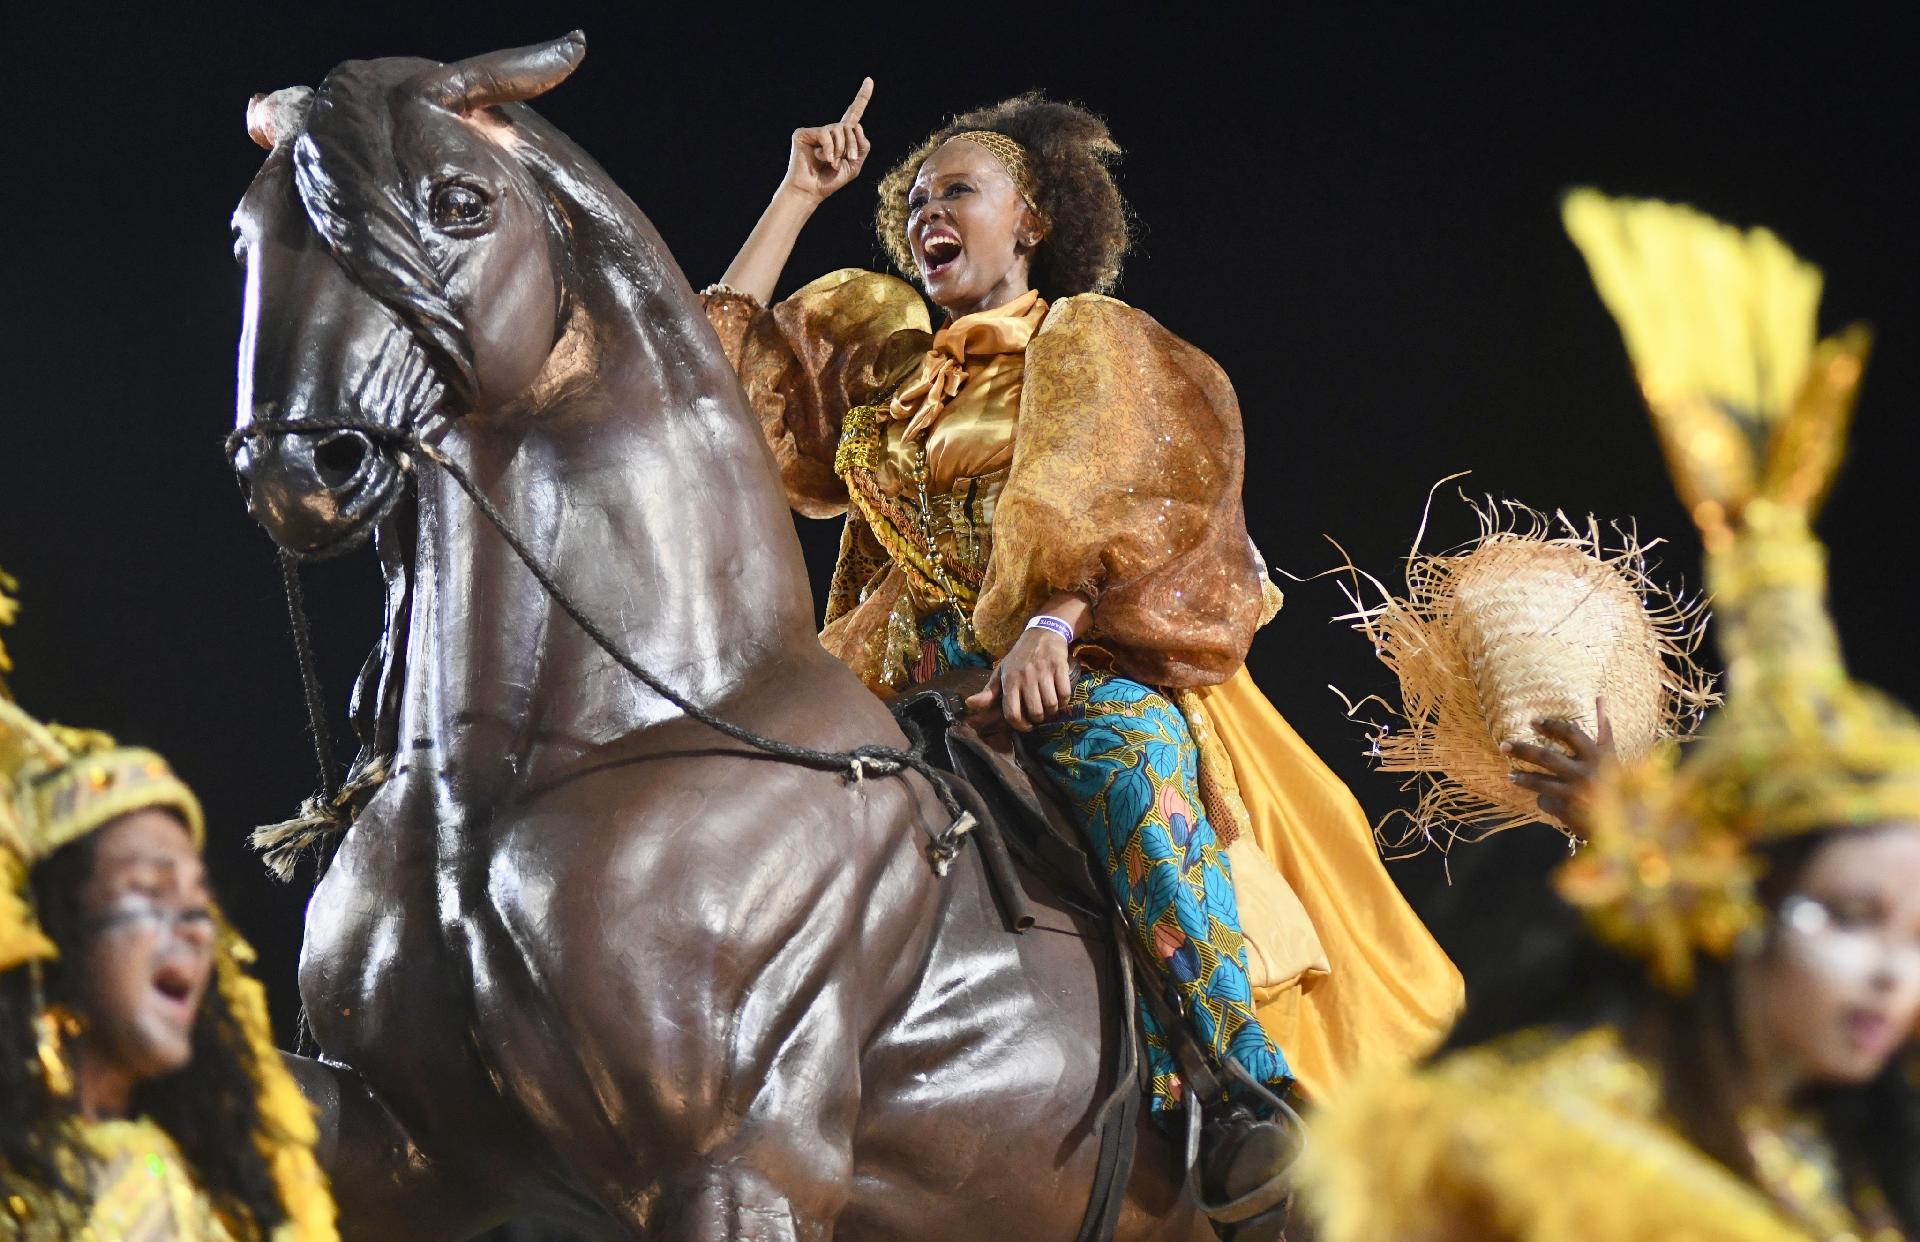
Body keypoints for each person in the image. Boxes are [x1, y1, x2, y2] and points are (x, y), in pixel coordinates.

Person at [700, 80, 1462, 1219]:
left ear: (1033, 221)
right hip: (905, 679)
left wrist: (1052, 624)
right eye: (914, 202)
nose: (925, 213)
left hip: (1080, 661)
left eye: (957, 192)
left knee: (1127, 766)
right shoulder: (888, 373)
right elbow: (708, 381)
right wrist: (797, 195)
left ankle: (1239, 1090)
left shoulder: (1089, 341)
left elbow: (1146, 498)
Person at [1299, 193, 1920, 1241]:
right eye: (1848, 917)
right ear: (1724, 905)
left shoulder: (1857, 1158)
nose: (1893, 976)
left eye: (1917, 936)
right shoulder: (1529, 1164)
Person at [0, 611, 337, 1240]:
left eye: (198, 903)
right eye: (149, 892)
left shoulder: (224, 1192)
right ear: (54, 932)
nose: (193, 928)